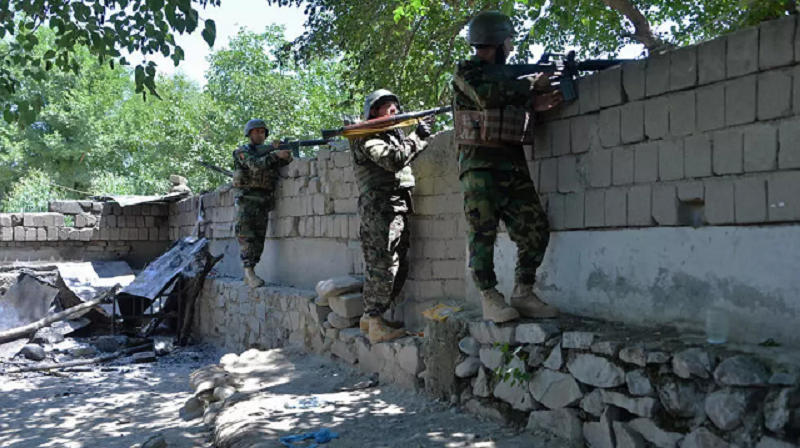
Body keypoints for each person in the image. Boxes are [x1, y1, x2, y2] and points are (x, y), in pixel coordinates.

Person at [452, 11, 564, 323]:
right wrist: (530, 85)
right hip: (479, 166)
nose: (512, 46)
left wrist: (534, 103)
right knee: (482, 234)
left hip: (512, 165)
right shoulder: (468, 71)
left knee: (535, 229)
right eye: (509, 40)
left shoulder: (508, 78)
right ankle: (490, 296)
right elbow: (487, 97)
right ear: (498, 42)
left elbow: (508, 107)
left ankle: (523, 292)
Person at [351, 89, 434, 343]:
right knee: (383, 267)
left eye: (395, 106)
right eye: (387, 106)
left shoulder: (388, 135)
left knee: (399, 266)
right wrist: (417, 136)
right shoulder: (367, 137)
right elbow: (394, 159)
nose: (394, 110)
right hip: (380, 210)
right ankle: (375, 322)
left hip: (395, 207)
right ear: (373, 111)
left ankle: (371, 318)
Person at [232, 119, 292, 287]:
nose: (260, 134)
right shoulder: (242, 152)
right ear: (249, 134)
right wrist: (274, 154)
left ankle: (251, 272)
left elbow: (287, 160)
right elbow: (255, 165)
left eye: (263, 132)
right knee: (247, 237)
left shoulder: (268, 153)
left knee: (259, 239)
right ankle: (248, 273)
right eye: (256, 131)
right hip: (247, 200)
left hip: (263, 201)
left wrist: (283, 151)